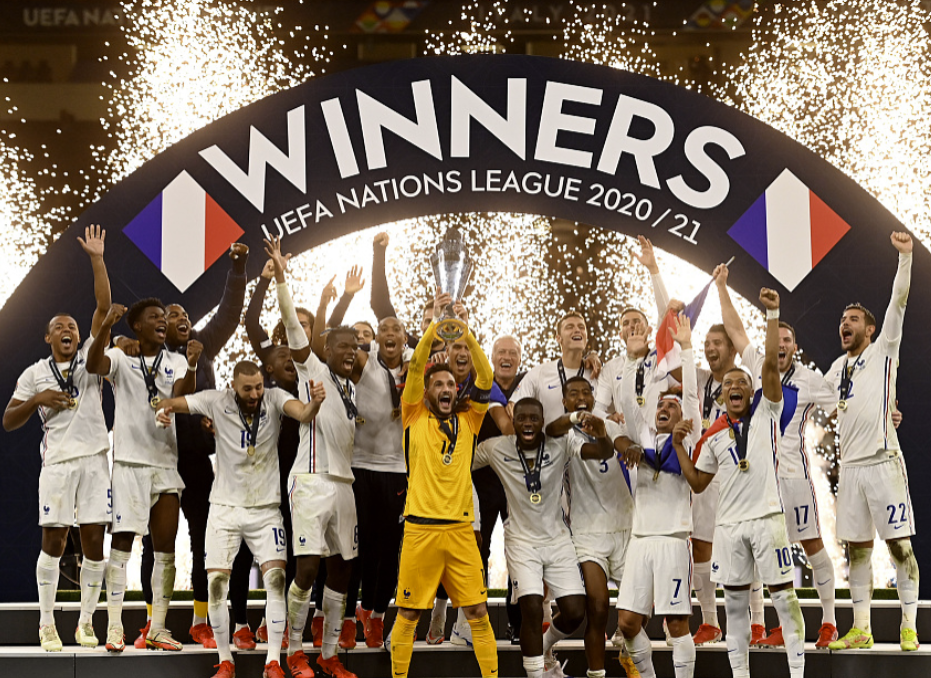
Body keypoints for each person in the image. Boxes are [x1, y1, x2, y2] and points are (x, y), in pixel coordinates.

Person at [154, 360, 326, 678]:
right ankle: (225, 661)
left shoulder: (274, 398)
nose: (254, 394)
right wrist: (162, 410)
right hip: (224, 508)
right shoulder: (215, 400)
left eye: (258, 387)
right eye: (247, 389)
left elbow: (303, 414)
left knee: (276, 581)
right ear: (234, 385)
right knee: (217, 583)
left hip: (266, 509)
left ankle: (273, 662)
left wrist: (314, 402)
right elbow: (172, 403)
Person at [126, 243, 248, 649]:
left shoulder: (202, 344)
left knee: (203, 539)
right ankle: (151, 621)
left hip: (195, 460)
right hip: (158, 457)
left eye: (183, 316)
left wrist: (237, 268)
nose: (180, 320)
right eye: (170, 315)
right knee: (153, 543)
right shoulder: (147, 355)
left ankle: (200, 620)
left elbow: (229, 313)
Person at [679, 288, 806, 678]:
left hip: (768, 520)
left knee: (784, 600)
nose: (734, 386)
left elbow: (768, 363)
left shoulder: (768, 411)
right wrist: (678, 447)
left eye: (741, 382)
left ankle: (798, 673)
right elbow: (698, 483)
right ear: (721, 395)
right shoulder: (714, 434)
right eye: (728, 384)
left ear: (752, 392)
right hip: (729, 527)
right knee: (734, 608)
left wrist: (773, 314)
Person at [715, 262, 840, 648]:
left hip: (793, 477)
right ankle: (759, 625)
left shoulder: (810, 380)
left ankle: (829, 622)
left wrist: (888, 415)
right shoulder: (756, 364)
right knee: (756, 550)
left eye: (787, 340)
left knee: (812, 544)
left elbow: (843, 408)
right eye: (777, 338)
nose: (781, 344)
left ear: (794, 348)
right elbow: (735, 329)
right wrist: (722, 287)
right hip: (758, 480)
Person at [3, 225, 112, 651]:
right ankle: (46, 623)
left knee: (94, 544)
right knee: (54, 541)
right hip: (58, 464)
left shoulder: (91, 360)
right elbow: (9, 420)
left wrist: (97, 259)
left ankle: (86, 623)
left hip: (95, 460)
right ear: (48, 337)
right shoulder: (34, 374)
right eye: (58, 327)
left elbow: (103, 307)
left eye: (72, 326)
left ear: (79, 336)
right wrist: (38, 399)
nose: (67, 329)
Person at [267, 237, 362, 678]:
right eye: (343, 345)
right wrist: (281, 279)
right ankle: (293, 651)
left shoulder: (351, 386)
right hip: (310, 480)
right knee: (307, 568)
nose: (351, 351)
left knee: (342, 570)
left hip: (344, 484)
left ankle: (327, 654)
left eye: (355, 346)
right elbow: (293, 327)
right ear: (327, 349)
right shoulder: (314, 370)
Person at [389, 291, 498, 678]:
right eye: (438, 384)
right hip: (420, 530)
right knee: (408, 615)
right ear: (426, 391)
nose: (446, 388)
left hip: (460, 531)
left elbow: (485, 378)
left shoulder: (469, 419)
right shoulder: (413, 414)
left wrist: (466, 335)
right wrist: (435, 328)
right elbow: (418, 366)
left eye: (451, 383)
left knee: (479, 613)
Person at [85, 298, 204, 652]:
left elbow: (183, 394)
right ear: (137, 326)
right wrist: (107, 327)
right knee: (122, 545)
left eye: (163, 317)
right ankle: (115, 627)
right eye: (154, 317)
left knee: (165, 549)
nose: (162, 321)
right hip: (129, 465)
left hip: (165, 463)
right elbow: (93, 364)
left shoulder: (175, 360)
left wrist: (193, 365)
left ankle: (159, 628)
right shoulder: (122, 357)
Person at [823, 232, 920, 652]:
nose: (845, 325)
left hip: (883, 463)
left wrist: (906, 257)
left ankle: (908, 625)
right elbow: (816, 403)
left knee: (900, 547)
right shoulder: (835, 369)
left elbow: (899, 300)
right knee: (857, 551)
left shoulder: (884, 351)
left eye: (853, 320)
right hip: (851, 469)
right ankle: (861, 628)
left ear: (871, 328)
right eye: (842, 320)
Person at [475, 397, 615, 678]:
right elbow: (457, 464)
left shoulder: (559, 443)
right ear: (512, 421)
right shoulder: (495, 448)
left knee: (575, 612)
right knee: (531, 608)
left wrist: (601, 434)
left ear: (542, 422)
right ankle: (537, 674)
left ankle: (545, 646)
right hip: (521, 542)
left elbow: (602, 452)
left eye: (533, 418)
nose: (527, 423)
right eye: (521, 418)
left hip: (558, 539)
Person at [616, 313, 701, 678]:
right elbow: (629, 403)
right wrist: (633, 359)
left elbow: (691, 396)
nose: (665, 409)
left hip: (672, 540)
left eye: (672, 406)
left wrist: (687, 348)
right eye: (661, 406)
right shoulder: (643, 442)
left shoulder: (687, 439)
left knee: (677, 624)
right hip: (640, 541)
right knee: (627, 623)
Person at [544, 377, 638, 678]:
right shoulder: (564, 437)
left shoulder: (609, 425)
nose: (581, 396)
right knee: (597, 608)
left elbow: (620, 445)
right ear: (564, 402)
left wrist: (628, 445)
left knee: (639, 607)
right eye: (573, 393)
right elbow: (596, 451)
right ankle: (587, 670)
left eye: (586, 392)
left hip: (625, 527)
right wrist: (592, 431)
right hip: (588, 533)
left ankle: (627, 648)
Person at [351, 315, 410, 649]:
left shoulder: (417, 366)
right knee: (360, 547)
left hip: (397, 469)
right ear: (376, 339)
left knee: (389, 549)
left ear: (405, 338)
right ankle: (349, 616)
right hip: (359, 465)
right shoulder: (365, 362)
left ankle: (376, 615)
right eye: (383, 329)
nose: (389, 333)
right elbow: (330, 346)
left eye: (396, 330)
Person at [690, 321, 739, 645]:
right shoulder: (700, 379)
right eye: (706, 343)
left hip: (737, 474)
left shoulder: (745, 382)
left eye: (717, 342)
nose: (710, 348)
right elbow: (668, 360)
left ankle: (755, 622)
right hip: (704, 473)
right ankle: (710, 621)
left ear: (733, 347)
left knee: (742, 547)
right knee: (701, 545)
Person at [475, 335, 526, 644]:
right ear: (491, 358)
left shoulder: (529, 383)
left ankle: (517, 625)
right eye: (501, 352)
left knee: (518, 552)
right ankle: (474, 623)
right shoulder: (479, 383)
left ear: (520, 359)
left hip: (515, 483)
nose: (506, 357)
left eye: (512, 353)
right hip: (481, 479)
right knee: (476, 550)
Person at [593, 235, 672, 422]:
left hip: (659, 434)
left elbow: (666, 312)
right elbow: (598, 408)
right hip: (626, 436)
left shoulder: (661, 356)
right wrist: (609, 418)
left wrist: (653, 269)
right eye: (626, 323)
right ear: (621, 334)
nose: (632, 326)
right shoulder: (611, 368)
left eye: (637, 321)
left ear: (649, 329)